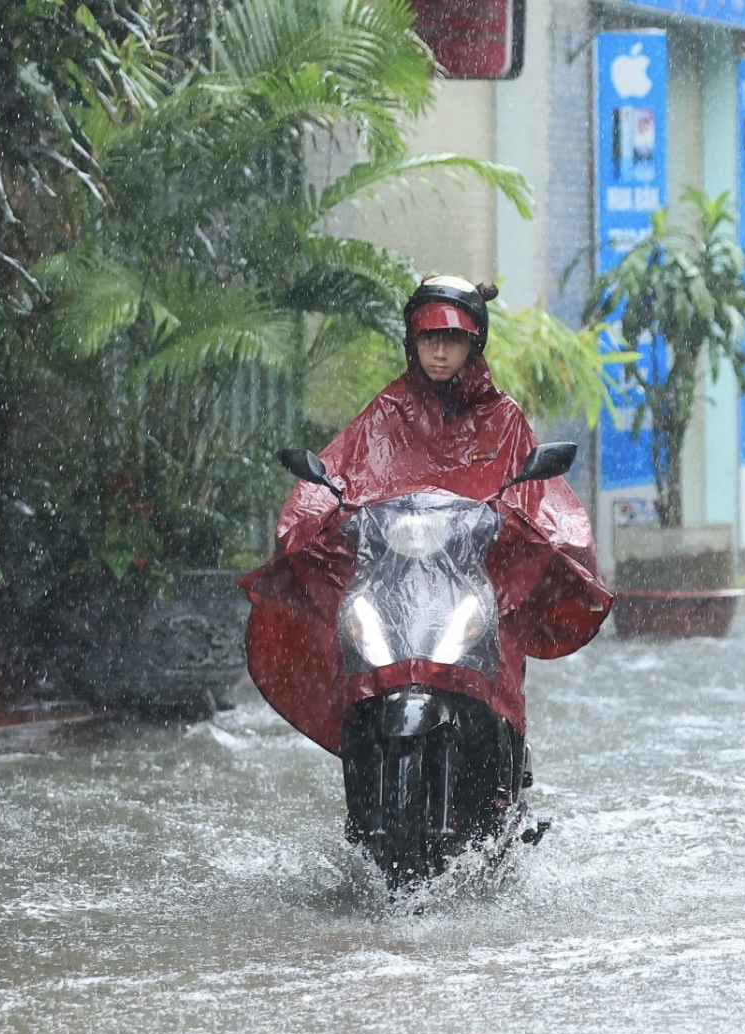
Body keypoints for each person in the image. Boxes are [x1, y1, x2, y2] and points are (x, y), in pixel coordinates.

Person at [242, 275, 609, 753]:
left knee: (499, 654)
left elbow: (538, 500)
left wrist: (516, 528)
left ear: (473, 344)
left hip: (473, 585)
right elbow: (340, 476)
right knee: (356, 665)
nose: (439, 352)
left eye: (452, 339)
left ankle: (505, 758)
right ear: (412, 342)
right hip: (392, 587)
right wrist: (327, 517)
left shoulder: (502, 418)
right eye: (429, 338)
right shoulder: (386, 412)